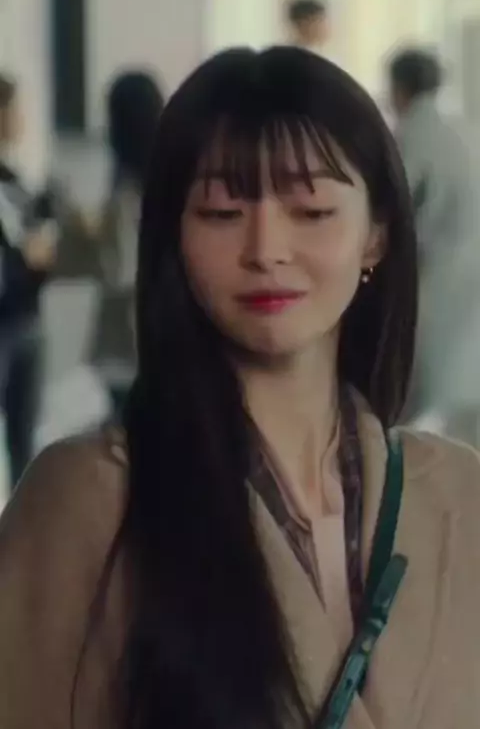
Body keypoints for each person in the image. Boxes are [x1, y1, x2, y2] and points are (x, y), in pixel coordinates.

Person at [0, 47, 479, 729]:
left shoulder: (458, 494)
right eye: (223, 212)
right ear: (174, 236)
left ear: (376, 235)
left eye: (312, 210)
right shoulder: (88, 499)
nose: (266, 250)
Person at [388, 47, 480, 441]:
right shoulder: (466, 131)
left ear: (398, 88)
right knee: (462, 384)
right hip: (468, 273)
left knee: (418, 383)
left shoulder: (412, 136)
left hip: (437, 275)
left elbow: (394, 206)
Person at [88, 70, 165, 420]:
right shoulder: (173, 177)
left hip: (129, 340)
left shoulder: (125, 188)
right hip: (168, 332)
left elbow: (119, 269)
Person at [0, 75, 57, 489]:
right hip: (7, 322)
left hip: (27, 318)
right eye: (13, 109)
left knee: (24, 440)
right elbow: (34, 251)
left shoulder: (15, 182)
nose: (20, 119)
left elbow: (41, 254)